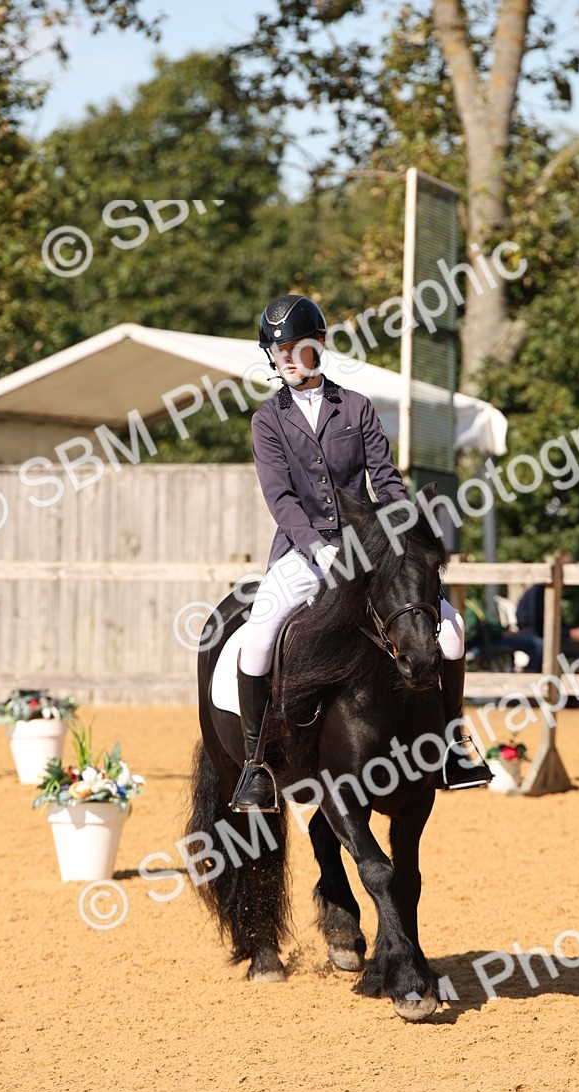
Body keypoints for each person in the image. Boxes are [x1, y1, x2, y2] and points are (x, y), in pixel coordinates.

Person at [232, 292, 491, 809]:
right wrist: (317, 551)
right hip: (302, 553)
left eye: (295, 348)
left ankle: (452, 746)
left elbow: (388, 480)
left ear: (319, 346)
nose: (284, 359)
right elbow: (281, 499)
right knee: (258, 637)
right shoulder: (267, 421)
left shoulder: (356, 406)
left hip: (372, 547)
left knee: (453, 631)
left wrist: (401, 534)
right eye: (276, 350)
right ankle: (255, 765)